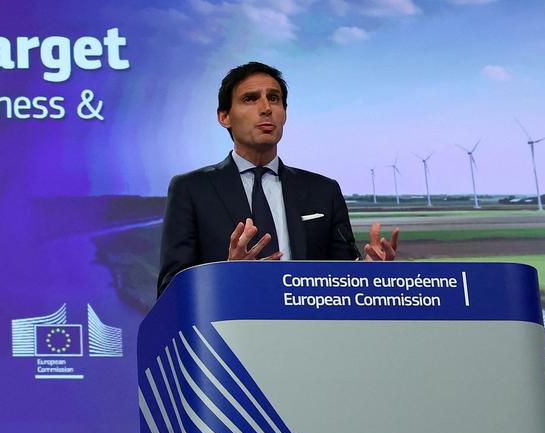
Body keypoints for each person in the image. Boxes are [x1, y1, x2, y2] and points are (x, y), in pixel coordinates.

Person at [157, 61, 399, 296]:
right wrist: (227, 277)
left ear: (285, 113)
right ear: (224, 117)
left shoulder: (324, 191)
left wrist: (370, 276)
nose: (266, 108)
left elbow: (344, 283)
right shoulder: (191, 190)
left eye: (274, 98)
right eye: (250, 99)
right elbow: (170, 291)